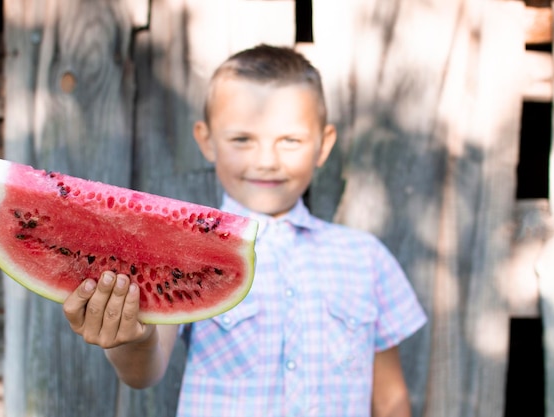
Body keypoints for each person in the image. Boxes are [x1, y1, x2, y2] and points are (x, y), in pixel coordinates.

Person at [62, 44, 426, 417]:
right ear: (206, 140)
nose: (266, 161)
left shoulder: (366, 257)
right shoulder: (183, 251)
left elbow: (390, 399)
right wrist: (128, 339)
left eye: (290, 140)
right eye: (242, 140)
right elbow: (146, 371)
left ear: (323, 144)